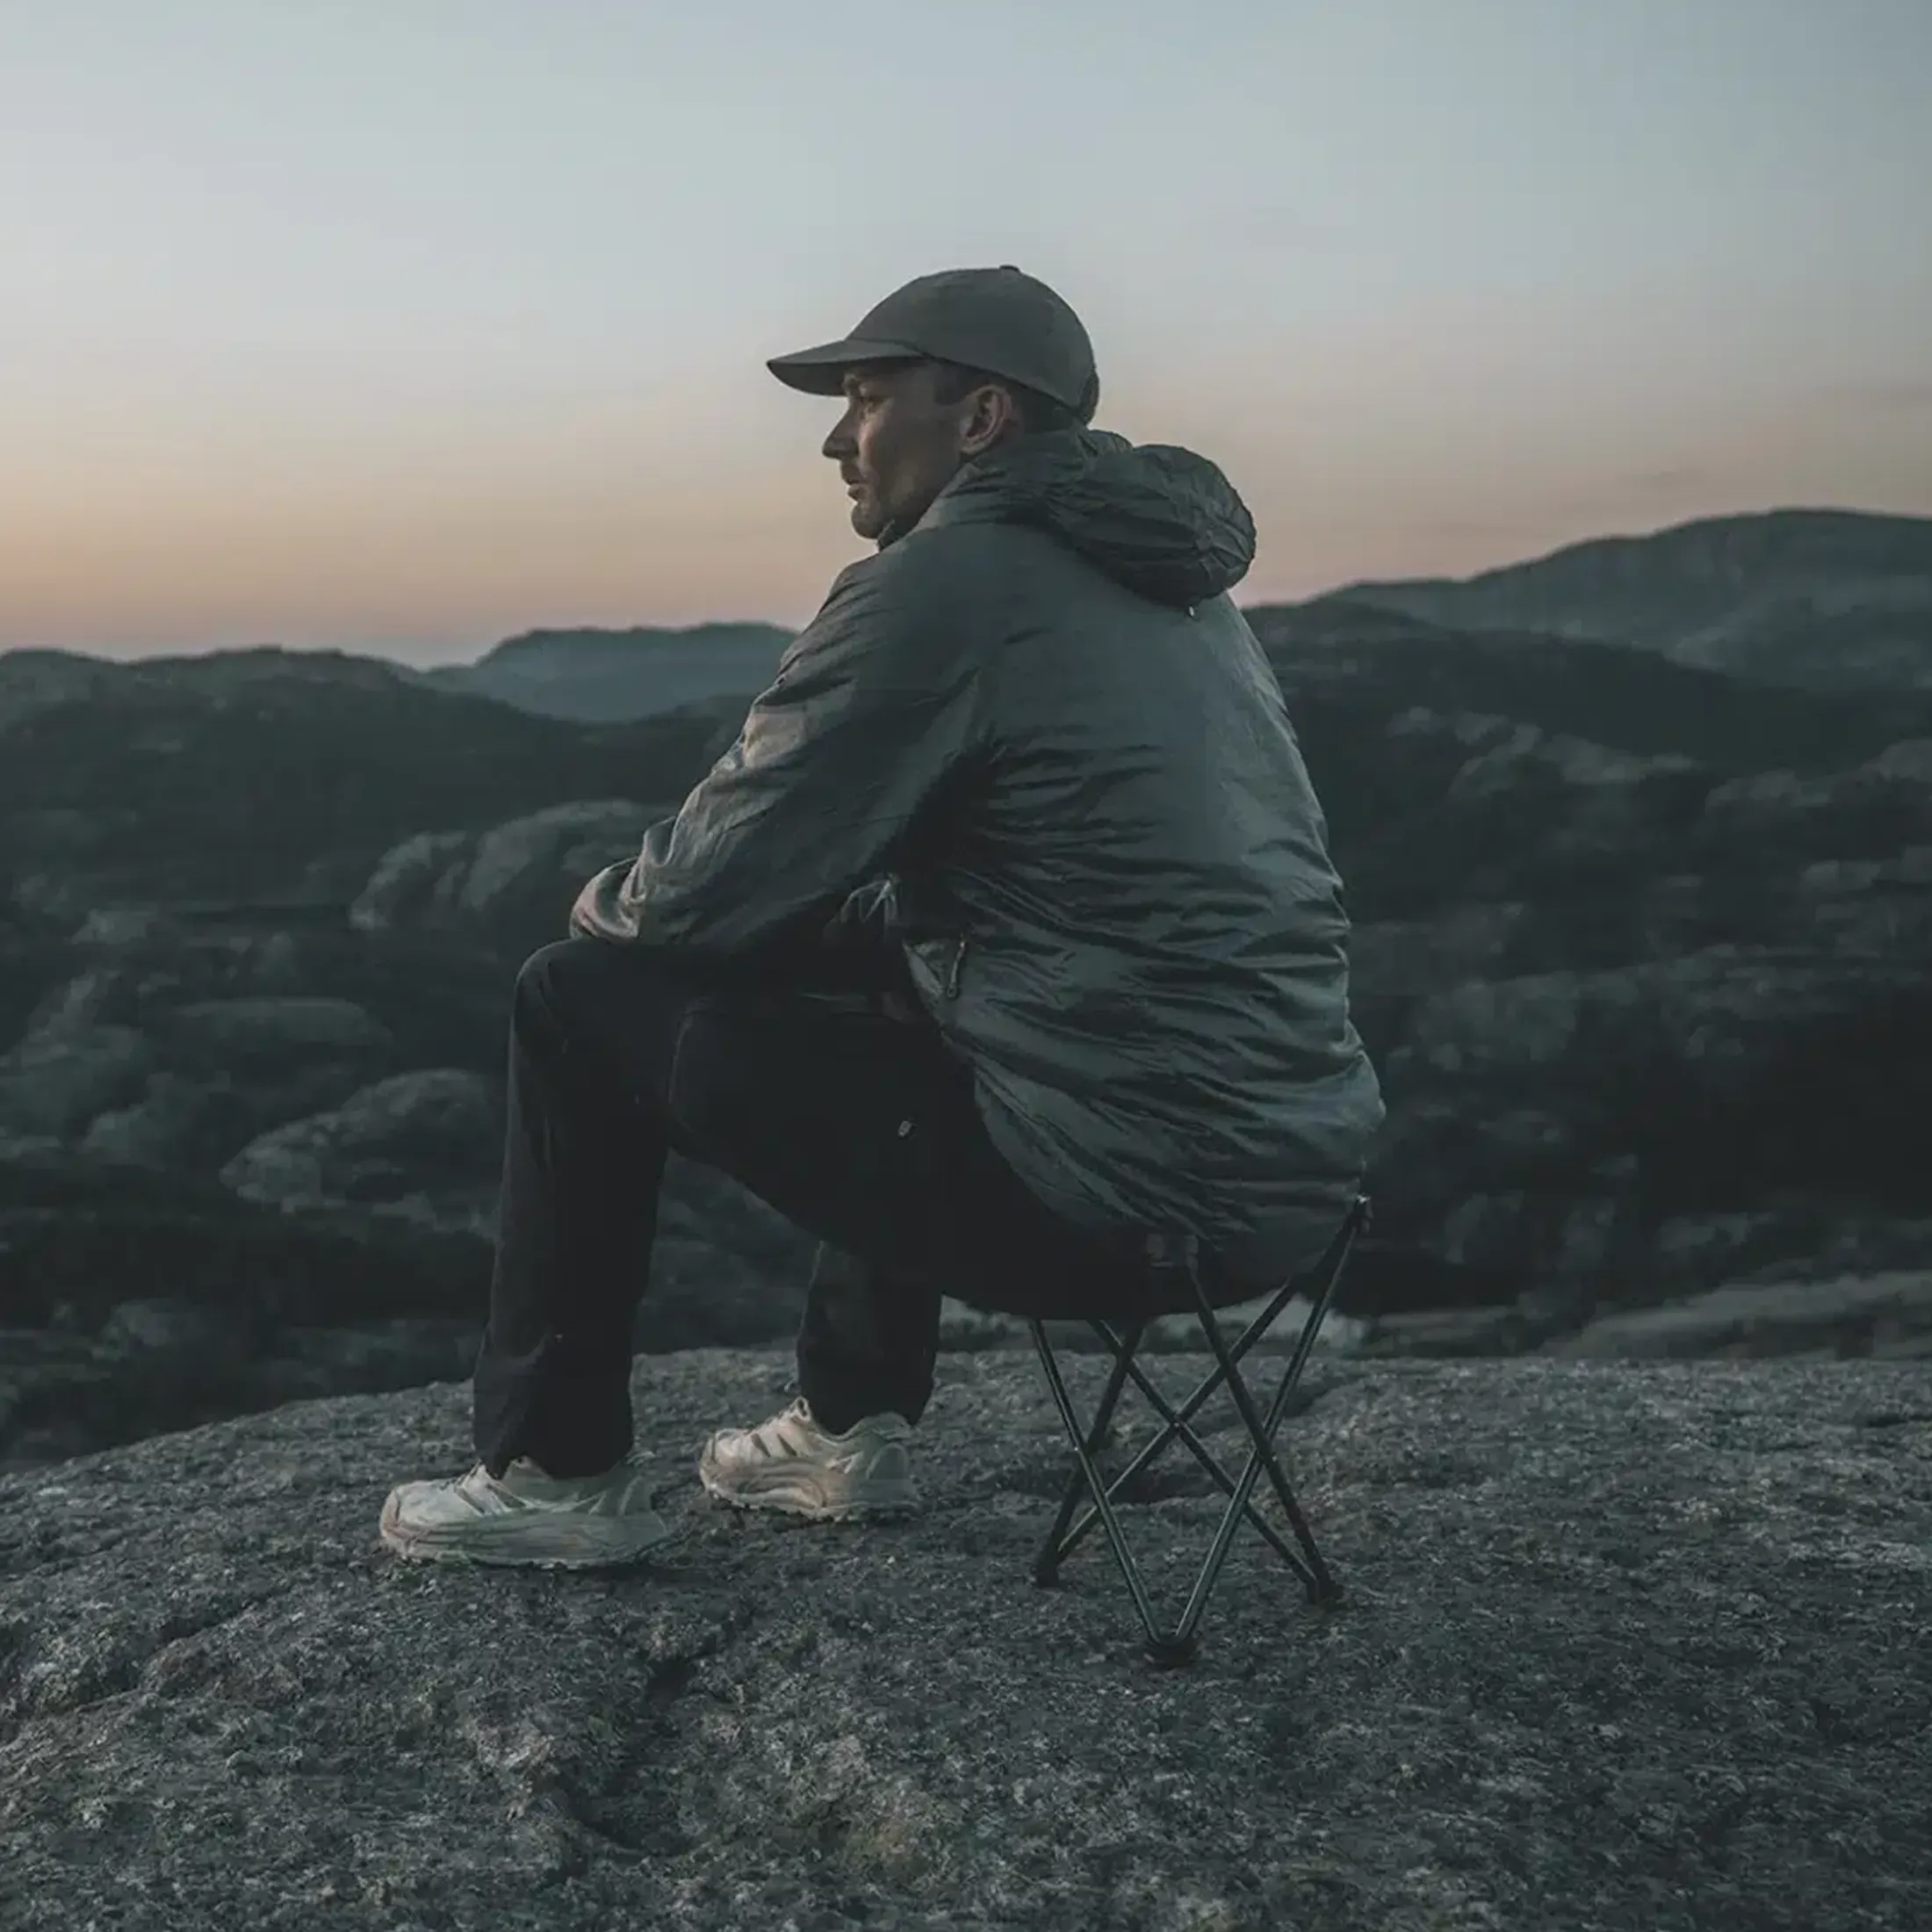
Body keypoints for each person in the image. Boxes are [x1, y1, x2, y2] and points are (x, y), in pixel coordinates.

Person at [379, 265, 1384, 1569]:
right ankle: (846, 1426)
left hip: (1110, 1204)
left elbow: (700, 891)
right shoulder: (1184, 598)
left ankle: (552, 1474)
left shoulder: (939, 584)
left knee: (574, 999)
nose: (835, 439)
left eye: (864, 399)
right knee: (882, 957)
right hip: (1291, 1188)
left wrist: (599, 910)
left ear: (980, 419)